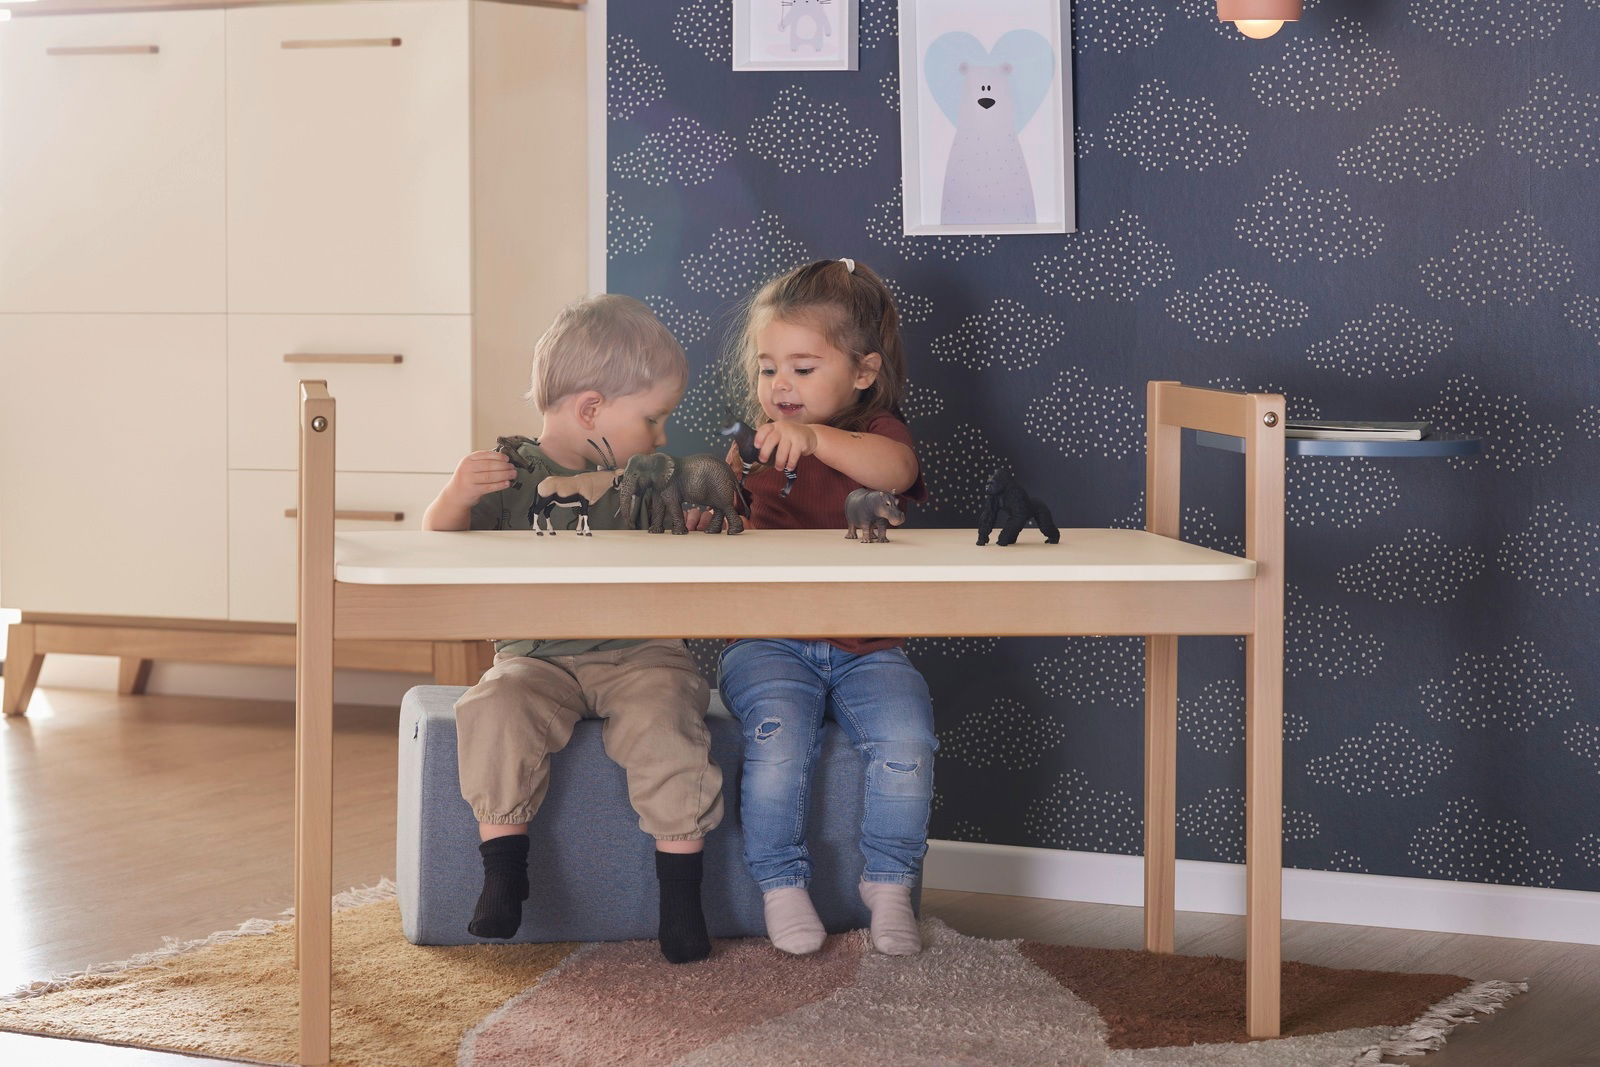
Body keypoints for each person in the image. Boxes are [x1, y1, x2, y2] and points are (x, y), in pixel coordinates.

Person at [422, 294, 722, 963]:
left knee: (664, 719)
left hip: (640, 654)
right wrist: (453, 498)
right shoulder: (508, 477)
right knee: (494, 706)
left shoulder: (649, 480)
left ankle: (681, 900)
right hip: (537, 656)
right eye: (653, 417)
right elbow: (437, 550)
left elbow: (691, 548)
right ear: (591, 410)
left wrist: (695, 534)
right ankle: (503, 872)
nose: (663, 435)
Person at [699, 257, 937, 956]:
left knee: (907, 742)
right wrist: (708, 513)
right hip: (768, 640)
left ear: (862, 372)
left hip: (870, 644)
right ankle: (779, 881)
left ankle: (888, 883)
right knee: (779, 746)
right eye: (770, 368)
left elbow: (894, 475)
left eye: (803, 369)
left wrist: (815, 439)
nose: (781, 386)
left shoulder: (881, 435)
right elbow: (726, 520)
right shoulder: (753, 447)